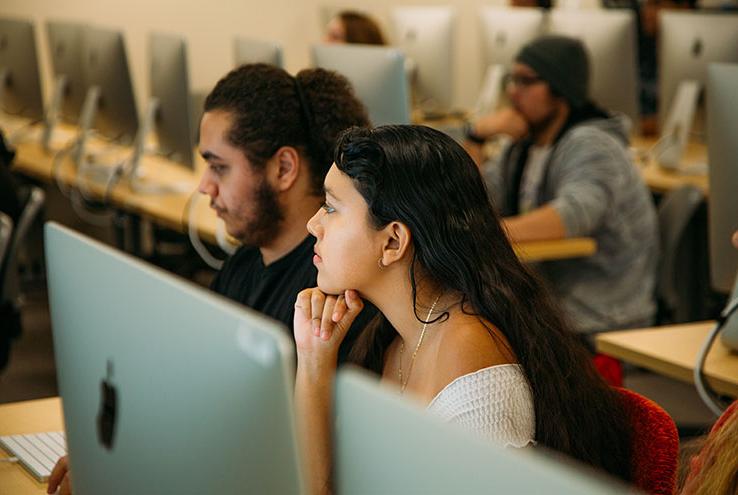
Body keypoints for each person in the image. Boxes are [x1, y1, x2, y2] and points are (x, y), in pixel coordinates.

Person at [46, 63, 372, 495]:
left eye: (218, 168)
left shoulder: (330, 299)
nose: (204, 187)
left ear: (284, 169)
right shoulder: (244, 264)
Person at [294, 125, 632, 495]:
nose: (314, 224)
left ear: (392, 241)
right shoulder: (395, 335)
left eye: (330, 207)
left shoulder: (474, 367)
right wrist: (313, 360)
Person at [465, 35, 658, 336]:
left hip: (598, 315)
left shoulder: (592, 144)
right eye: (512, 81)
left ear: (560, 89)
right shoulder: (524, 145)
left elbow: (571, 216)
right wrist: (476, 137)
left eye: (526, 82)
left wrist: (486, 234)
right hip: (548, 306)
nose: (514, 93)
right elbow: (473, 198)